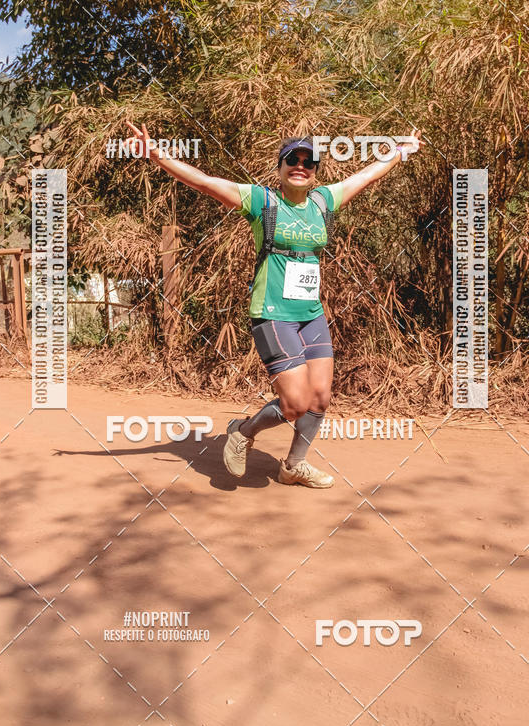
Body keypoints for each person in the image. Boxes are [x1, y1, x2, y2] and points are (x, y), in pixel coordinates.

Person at [125, 122, 424, 489]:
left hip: (311, 315)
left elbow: (366, 176)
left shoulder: (323, 201)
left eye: (308, 162)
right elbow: (203, 181)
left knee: (321, 397)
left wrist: (401, 150)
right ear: (280, 167)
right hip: (272, 315)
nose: (301, 166)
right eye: (292, 160)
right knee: (295, 402)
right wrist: (157, 154)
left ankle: (293, 466)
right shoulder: (262, 201)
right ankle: (243, 431)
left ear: (315, 170)